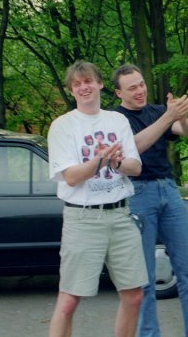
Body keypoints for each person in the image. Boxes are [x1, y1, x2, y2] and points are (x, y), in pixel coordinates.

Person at [47, 60, 148, 337]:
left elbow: (135, 168)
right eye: (77, 84)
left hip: (121, 216)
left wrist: (116, 162)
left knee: (134, 296)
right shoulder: (62, 126)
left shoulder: (117, 121)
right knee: (69, 300)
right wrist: (100, 160)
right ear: (72, 90)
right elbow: (71, 177)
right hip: (83, 218)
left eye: (88, 81)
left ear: (100, 84)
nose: (84, 87)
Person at [112, 64, 188, 337]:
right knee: (144, 278)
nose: (140, 91)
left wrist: (183, 117)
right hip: (138, 194)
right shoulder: (115, 120)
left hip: (169, 190)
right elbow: (133, 147)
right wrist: (168, 117)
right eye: (132, 88)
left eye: (142, 84)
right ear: (119, 93)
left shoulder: (157, 111)